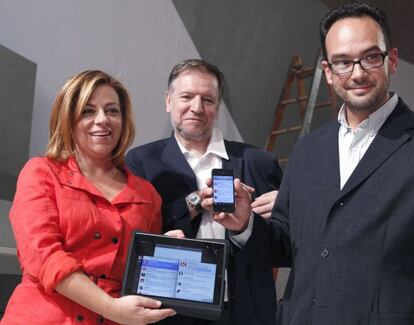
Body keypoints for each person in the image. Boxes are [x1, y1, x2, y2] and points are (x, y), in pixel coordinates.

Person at [214, 2, 414, 325]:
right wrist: (244, 223)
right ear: (328, 72)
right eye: (343, 62)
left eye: (370, 57)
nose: (358, 72)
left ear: (391, 60)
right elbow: (285, 243)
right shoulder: (308, 150)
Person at [1, 70, 176, 324]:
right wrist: (112, 308)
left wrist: (163, 253)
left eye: (112, 110)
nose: (102, 120)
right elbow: (44, 256)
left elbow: (139, 275)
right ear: (68, 119)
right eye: (88, 111)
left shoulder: (147, 194)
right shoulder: (41, 172)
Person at [126, 59, 283, 325]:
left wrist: (246, 225)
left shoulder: (260, 162)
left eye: (208, 100)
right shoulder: (142, 161)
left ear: (218, 105)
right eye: (187, 97)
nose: (197, 108)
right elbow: (131, 237)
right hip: (169, 311)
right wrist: (196, 200)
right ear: (168, 100)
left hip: (246, 310)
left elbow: (285, 244)